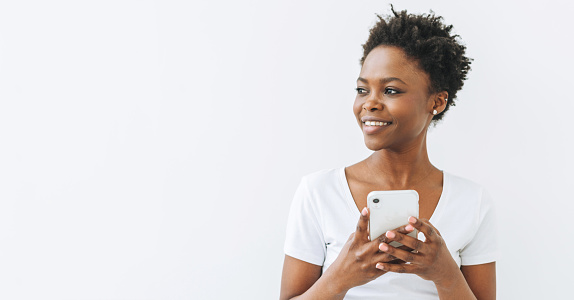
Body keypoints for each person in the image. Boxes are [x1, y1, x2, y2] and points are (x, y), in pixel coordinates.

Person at [280, 7, 497, 300]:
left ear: (437, 102)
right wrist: (340, 278)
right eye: (362, 89)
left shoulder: (472, 201)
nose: (369, 103)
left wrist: (445, 274)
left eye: (391, 91)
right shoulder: (318, 192)